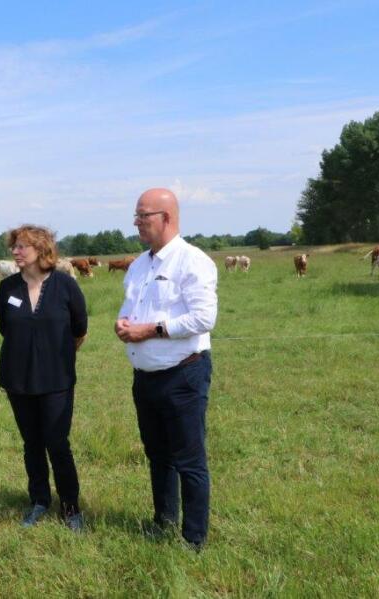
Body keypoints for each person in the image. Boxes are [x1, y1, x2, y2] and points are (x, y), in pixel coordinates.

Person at [114, 188, 218, 550]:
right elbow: (132, 307)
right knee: (157, 454)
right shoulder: (139, 264)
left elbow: (205, 318)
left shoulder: (193, 261)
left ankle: (194, 538)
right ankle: (164, 521)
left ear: (167, 217)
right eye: (136, 216)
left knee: (189, 459)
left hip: (183, 374)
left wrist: (151, 329)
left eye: (143, 216)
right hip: (145, 377)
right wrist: (124, 325)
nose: (137, 223)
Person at [0, 225, 88, 532]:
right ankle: (39, 501)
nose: (15, 252)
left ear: (41, 250)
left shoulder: (65, 285)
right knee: (31, 443)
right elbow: (5, 329)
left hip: (56, 380)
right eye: (14, 246)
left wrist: (52, 356)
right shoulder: (6, 288)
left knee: (57, 443)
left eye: (22, 246)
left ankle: (71, 508)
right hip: (18, 380)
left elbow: (79, 329)